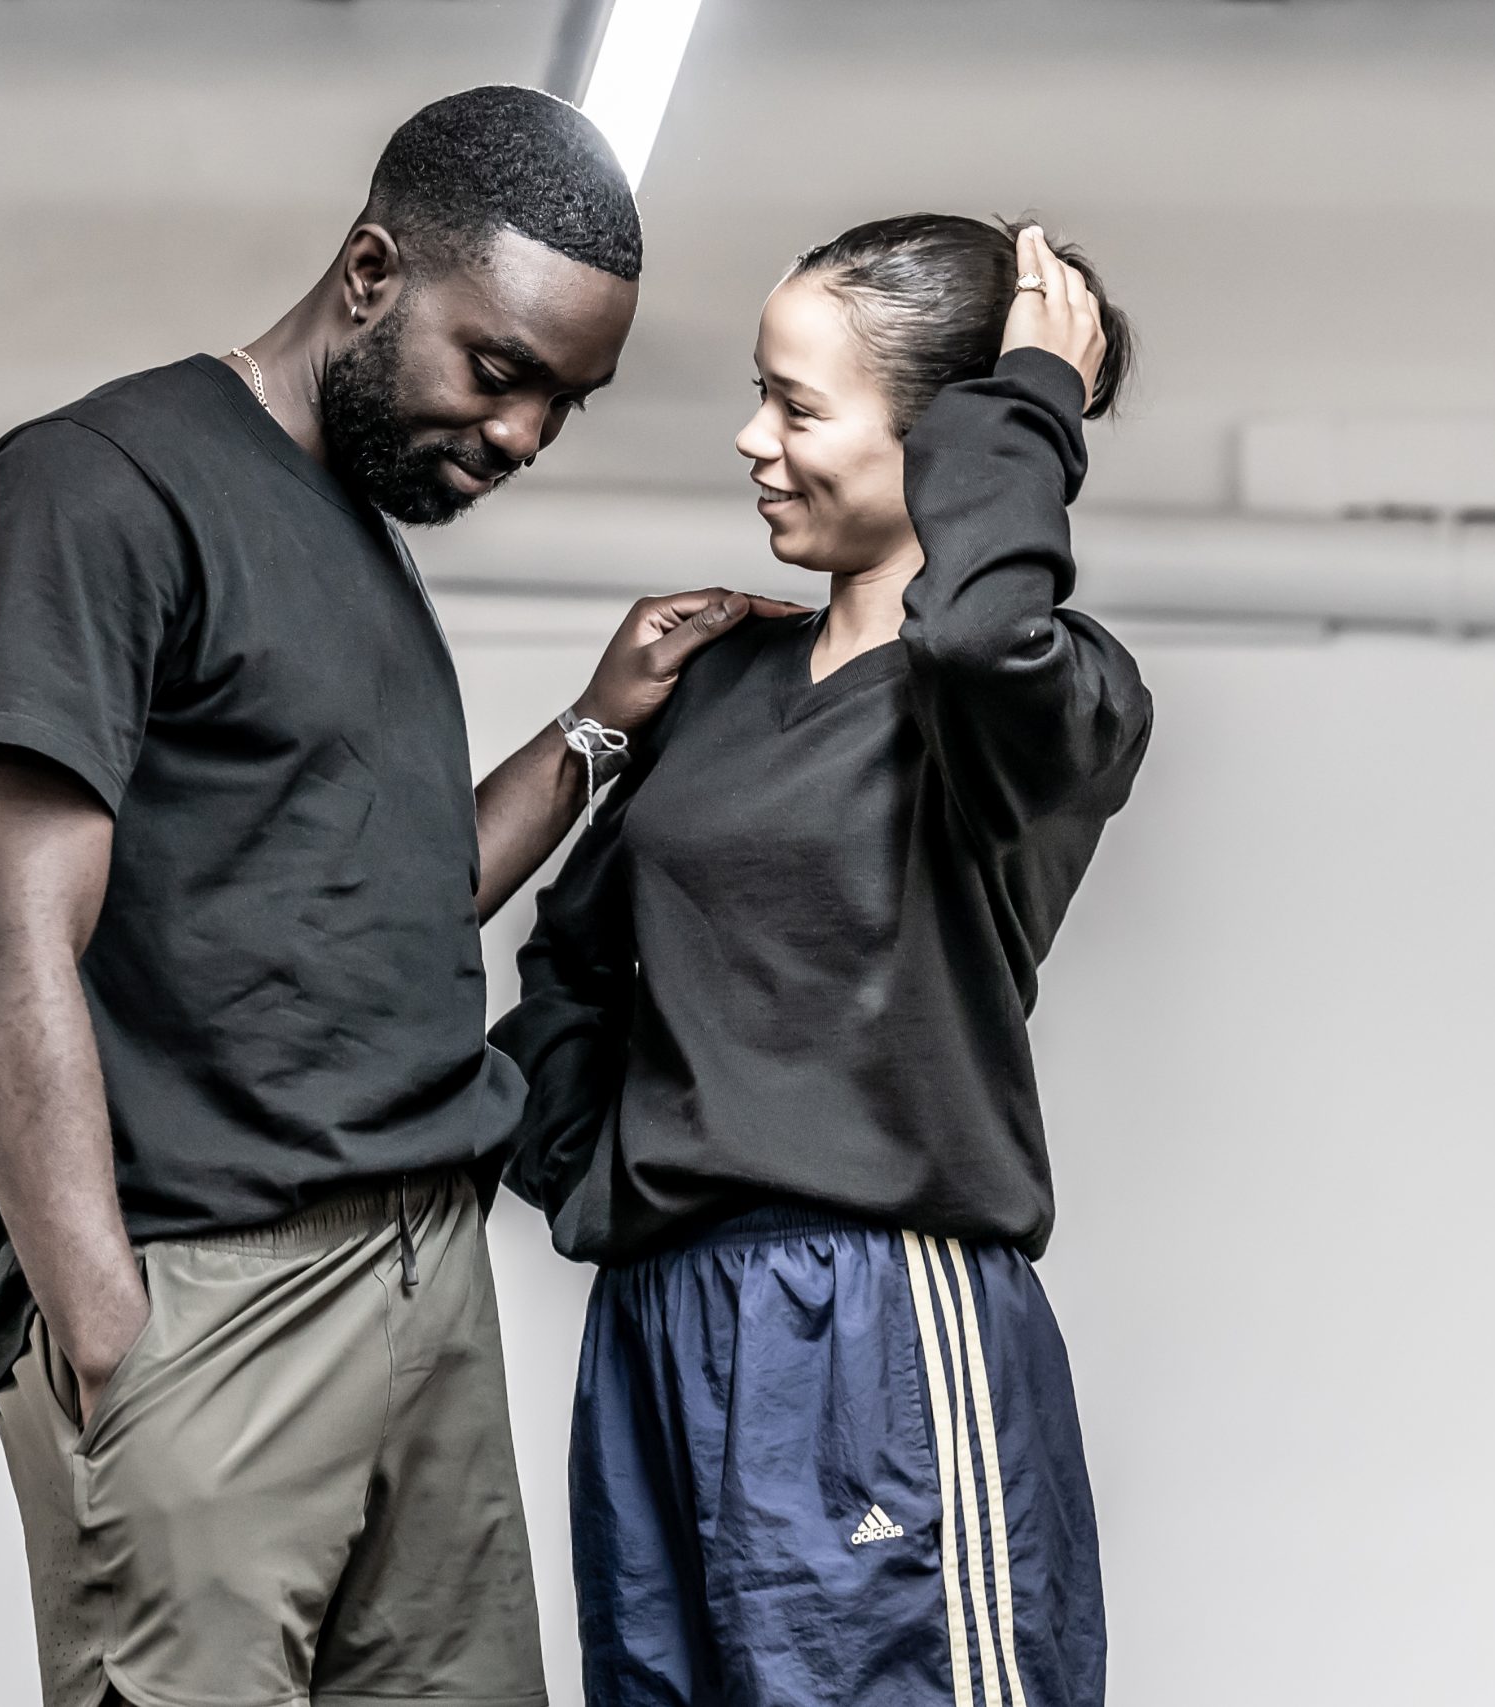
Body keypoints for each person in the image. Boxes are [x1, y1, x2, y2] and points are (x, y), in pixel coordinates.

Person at [0, 87, 790, 1707]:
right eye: (502, 370)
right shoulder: (98, 487)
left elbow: (395, 904)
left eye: (565, 406)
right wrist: (113, 1338)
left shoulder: (358, 546)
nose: (523, 434)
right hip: (208, 1297)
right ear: (374, 272)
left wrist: (598, 725)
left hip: (422, 1284)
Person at [491, 217, 1152, 1707]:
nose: (751, 439)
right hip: (664, 1321)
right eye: (761, 394)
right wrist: (598, 1174)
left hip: (879, 1328)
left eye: (797, 405)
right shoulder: (721, 679)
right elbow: (578, 961)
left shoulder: (1040, 696)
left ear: (947, 438)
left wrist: (1034, 388)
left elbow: (983, 631)